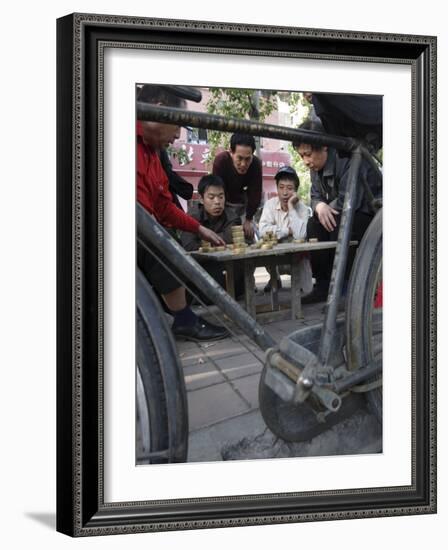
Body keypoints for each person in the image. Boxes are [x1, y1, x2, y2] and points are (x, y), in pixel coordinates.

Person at [137, 84, 228, 341]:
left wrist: (199, 229)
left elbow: (164, 206)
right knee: (157, 239)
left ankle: (181, 317)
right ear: (158, 112)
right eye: (177, 125)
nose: (178, 136)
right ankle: (181, 318)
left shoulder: (154, 155)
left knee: (164, 236)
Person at [293, 119, 382, 303]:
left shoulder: (346, 157)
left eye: (308, 154)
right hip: (340, 211)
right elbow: (315, 195)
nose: (306, 161)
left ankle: (344, 288)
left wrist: (327, 207)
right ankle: (323, 285)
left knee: (339, 224)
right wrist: (319, 206)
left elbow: (350, 199)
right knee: (313, 225)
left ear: (324, 147)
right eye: (302, 156)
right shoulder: (315, 167)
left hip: (366, 214)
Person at [181, 174, 244, 299]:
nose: (217, 202)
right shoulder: (191, 218)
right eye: (211, 197)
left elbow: (232, 239)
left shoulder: (232, 216)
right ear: (201, 199)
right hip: (202, 270)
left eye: (221, 197)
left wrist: (204, 243)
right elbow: (189, 247)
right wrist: (220, 242)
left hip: (227, 269)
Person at [258, 166, 313, 295]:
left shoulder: (303, 209)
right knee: (264, 246)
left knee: (307, 293)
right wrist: (286, 231)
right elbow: (263, 230)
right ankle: (275, 279)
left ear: (295, 191)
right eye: (281, 187)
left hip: (297, 260)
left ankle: (300, 282)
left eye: (289, 188)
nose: (284, 192)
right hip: (275, 259)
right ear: (276, 188)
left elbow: (300, 235)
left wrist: (291, 208)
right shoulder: (270, 205)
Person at [212, 133, 262, 240]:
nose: (243, 164)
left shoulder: (256, 164)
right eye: (239, 158)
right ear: (231, 152)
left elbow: (255, 194)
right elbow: (216, 191)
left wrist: (248, 219)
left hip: (242, 205)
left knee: (249, 235)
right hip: (223, 204)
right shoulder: (221, 161)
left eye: (247, 159)